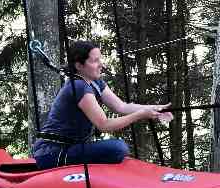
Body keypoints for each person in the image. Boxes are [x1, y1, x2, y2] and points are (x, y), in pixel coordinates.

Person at [31, 40, 172, 169]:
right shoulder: (78, 86)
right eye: (95, 61)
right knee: (118, 148)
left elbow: (121, 107)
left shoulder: (96, 82)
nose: (101, 64)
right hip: (53, 152)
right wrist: (141, 115)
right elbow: (104, 125)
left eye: (100, 59)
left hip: (72, 148)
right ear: (79, 66)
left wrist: (154, 109)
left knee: (117, 148)